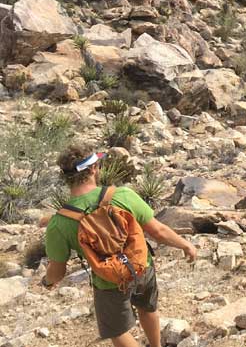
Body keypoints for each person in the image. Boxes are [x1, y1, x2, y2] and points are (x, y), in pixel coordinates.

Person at [41, 144, 197, 347]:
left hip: (109, 280)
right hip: (142, 266)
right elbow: (158, 231)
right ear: (94, 169)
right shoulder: (122, 195)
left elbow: (58, 270)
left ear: (65, 177)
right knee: (148, 308)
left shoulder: (59, 223)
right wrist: (185, 245)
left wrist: (47, 281)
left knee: (118, 331)